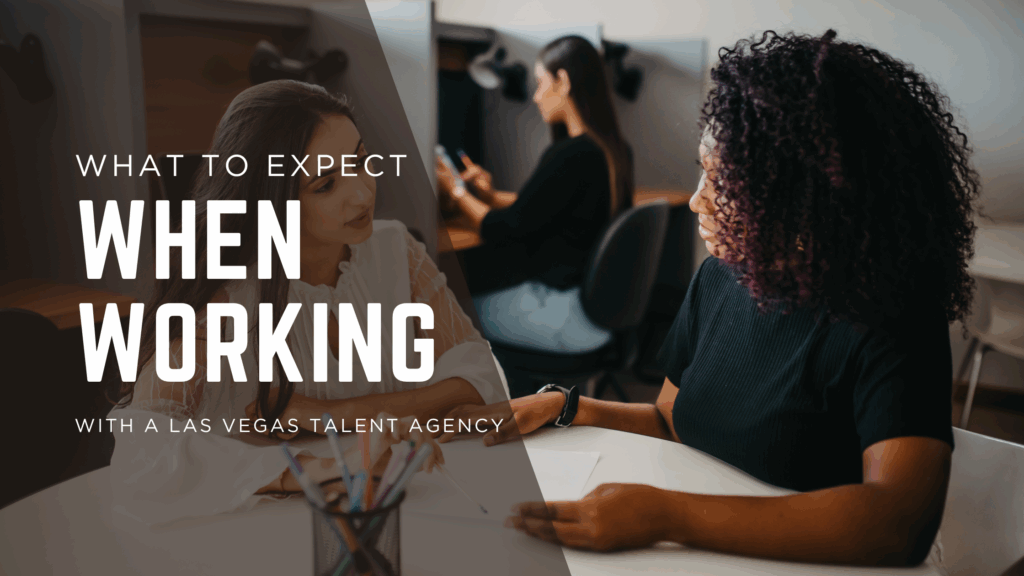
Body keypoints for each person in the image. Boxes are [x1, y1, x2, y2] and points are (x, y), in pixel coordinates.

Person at [440, 29, 979, 569]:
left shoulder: (893, 314)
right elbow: (671, 422)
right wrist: (564, 406)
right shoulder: (721, 278)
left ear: (803, 198)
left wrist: (669, 516)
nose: (698, 200)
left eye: (725, 183)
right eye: (704, 171)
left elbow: (897, 523)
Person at [108, 80, 506, 524]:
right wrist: (322, 469)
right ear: (270, 198)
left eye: (360, 161)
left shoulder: (397, 249)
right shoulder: (226, 294)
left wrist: (333, 415)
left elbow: (479, 376)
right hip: (259, 526)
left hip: (400, 506)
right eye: (326, 184)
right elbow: (141, 448)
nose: (363, 193)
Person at [436, 36, 634, 395]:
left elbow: (502, 229)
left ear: (564, 81)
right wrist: (489, 195)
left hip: (564, 316)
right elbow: (546, 205)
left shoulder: (571, 155)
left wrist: (455, 190)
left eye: (542, 82)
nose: (537, 96)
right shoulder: (613, 151)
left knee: (439, 312)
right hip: (597, 315)